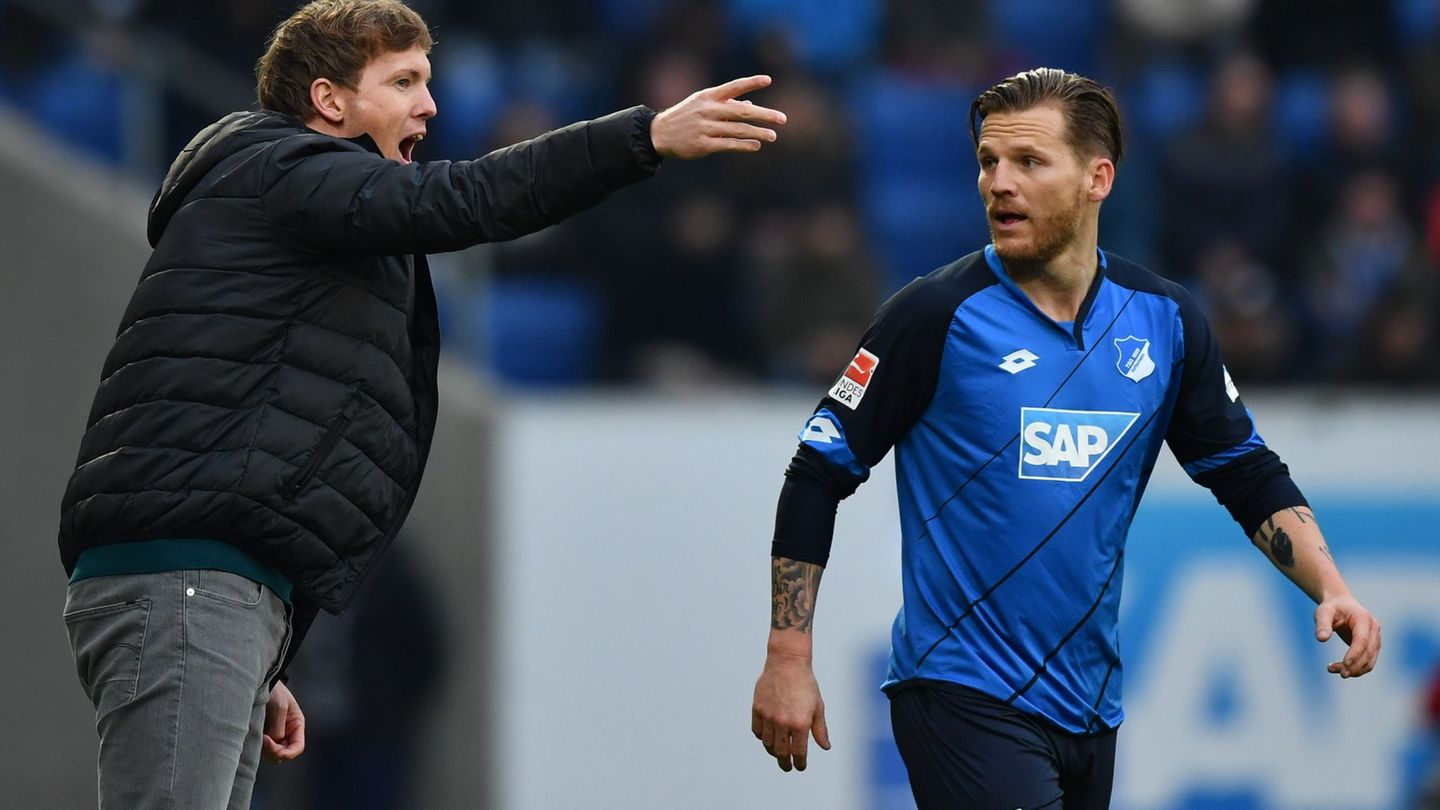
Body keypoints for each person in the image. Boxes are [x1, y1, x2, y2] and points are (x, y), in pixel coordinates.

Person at [56, 1, 786, 807]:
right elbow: (463, 200)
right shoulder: (281, 169)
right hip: (190, 583)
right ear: (331, 103)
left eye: (428, 82)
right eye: (402, 81)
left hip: (217, 593)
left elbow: (260, 439)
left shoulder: (299, 209)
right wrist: (640, 138)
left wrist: (268, 649)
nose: (430, 105)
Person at [749, 67, 1379, 809]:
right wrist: (788, 654)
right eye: (988, 162)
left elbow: (1243, 470)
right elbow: (818, 468)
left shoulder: (1165, 322)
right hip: (962, 694)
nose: (999, 184)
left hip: (1089, 710)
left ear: (1097, 178)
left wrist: (1331, 587)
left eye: (1028, 162)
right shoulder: (933, 316)